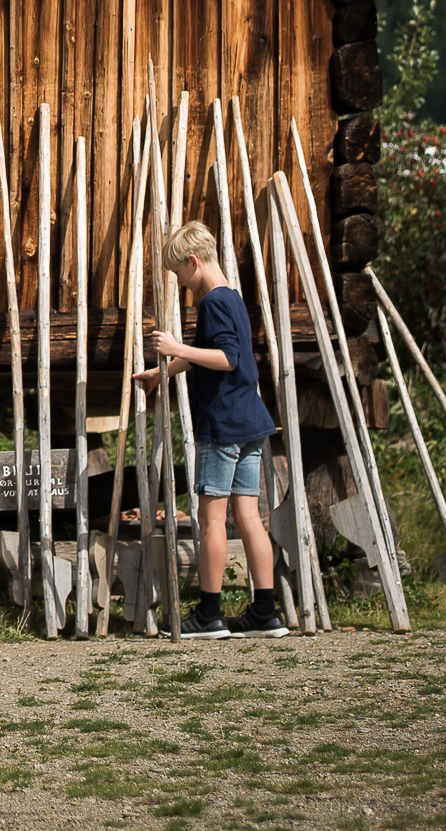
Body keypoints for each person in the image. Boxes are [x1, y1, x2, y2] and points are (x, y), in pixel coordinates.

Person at [137, 219, 289, 638]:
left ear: (193, 260)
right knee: (248, 516)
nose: (182, 284)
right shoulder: (232, 298)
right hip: (250, 422)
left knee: (211, 519)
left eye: (180, 274)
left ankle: (209, 614)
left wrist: (174, 346)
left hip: (222, 426)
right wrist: (163, 371)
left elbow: (227, 359)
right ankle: (265, 612)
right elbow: (216, 353)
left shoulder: (212, 302)